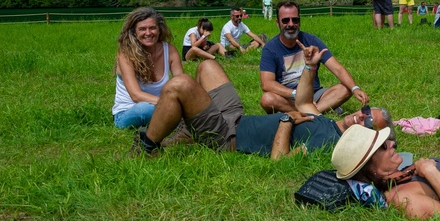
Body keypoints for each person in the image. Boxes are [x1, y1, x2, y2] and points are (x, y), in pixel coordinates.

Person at [132, 47, 392, 159]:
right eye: (367, 111)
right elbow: (303, 100)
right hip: (236, 117)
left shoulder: (329, 144)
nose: (361, 115)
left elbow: (280, 160)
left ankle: (147, 149)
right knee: (208, 65)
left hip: (228, 137)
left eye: (369, 121)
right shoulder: (328, 123)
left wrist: (286, 120)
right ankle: (189, 131)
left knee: (180, 85)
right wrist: (309, 68)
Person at [260, 1, 370, 114]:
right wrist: (296, 94)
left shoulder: (311, 40)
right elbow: (267, 83)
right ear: (277, 23)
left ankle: (305, 113)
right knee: (267, 99)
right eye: (285, 20)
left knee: (346, 88)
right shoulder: (270, 49)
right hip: (289, 96)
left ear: (300, 21)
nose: (291, 24)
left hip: (315, 94)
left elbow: (337, 68)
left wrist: (355, 88)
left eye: (295, 19)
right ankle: (317, 111)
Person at [112, 7, 184, 129]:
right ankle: (177, 121)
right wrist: (170, 104)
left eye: (152, 28)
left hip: (162, 106)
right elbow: (136, 96)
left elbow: (181, 82)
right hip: (128, 112)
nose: (148, 33)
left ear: (159, 30)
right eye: (142, 29)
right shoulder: (125, 55)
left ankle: (173, 121)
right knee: (144, 109)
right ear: (134, 32)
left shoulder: (170, 50)